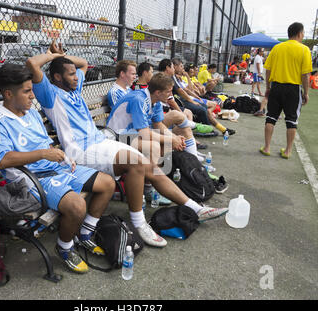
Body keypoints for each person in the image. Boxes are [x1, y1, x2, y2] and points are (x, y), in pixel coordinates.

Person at [27, 41, 228, 246]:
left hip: (101, 141)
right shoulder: (50, 94)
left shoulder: (73, 88)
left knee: (147, 165)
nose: (76, 75)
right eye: (70, 73)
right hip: (81, 150)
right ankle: (139, 223)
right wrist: (52, 56)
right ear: (57, 77)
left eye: (73, 73)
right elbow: (32, 64)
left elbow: (84, 64)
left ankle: (196, 209)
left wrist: (63, 57)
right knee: (136, 162)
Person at [0, 63, 116, 274]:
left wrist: (61, 157)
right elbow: (2, 160)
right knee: (76, 206)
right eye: (27, 91)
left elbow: (45, 145)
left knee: (108, 183)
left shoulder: (32, 114)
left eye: (32, 90)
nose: (32, 96)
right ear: (8, 94)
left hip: (56, 169)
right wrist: (44, 154)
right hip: (33, 179)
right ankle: (64, 248)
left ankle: (85, 234)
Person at [107, 72, 228, 220]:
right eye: (168, 92)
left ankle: (155, 182)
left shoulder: (157, 101)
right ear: (158, 92)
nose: (171, 95)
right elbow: (144, 134)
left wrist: (174, 138)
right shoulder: (139, 99)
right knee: (155, 147)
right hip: (116, 136)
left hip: (133, 135)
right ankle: (149, 189)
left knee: (170, 140)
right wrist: (170, 139)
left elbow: (158, 124)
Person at [260, 22, 312, 159]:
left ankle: (267, 147)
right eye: (303, 33)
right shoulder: (304, 50)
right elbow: (305, 75)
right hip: (293, 89)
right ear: (300, 33)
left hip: (276, 87)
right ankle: (288, 151)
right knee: (291, 120)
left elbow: (268, 70)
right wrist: (306, 93)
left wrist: (268, 87)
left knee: (271, 117)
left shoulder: (277, 48)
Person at [164, 59, 235, 136]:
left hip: (182, 99)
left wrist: (197, 97)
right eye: (180, 66)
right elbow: (180, 92)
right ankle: (206, 130)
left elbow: (186, 90)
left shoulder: (175, 77)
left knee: (204, 108)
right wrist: (192, 101)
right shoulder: (170, 78)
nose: (182, 68)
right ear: (171, 67)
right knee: (202, 109)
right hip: (180, 101)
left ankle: (219, 129)